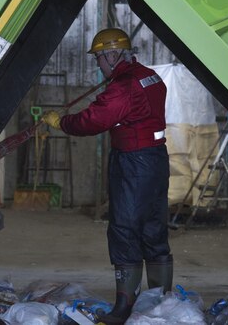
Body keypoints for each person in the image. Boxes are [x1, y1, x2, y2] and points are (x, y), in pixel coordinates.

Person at [42, 28, 173, 324]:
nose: (98, 64)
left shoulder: (123, 86)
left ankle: (123, 309)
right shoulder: (149, 75)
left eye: (99, 58)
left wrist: (62, 123)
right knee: (153, 228)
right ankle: (161, 303)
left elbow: (95, 119)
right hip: (156, 159)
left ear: (113, 55)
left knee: (124, 229)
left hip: (133, 162)